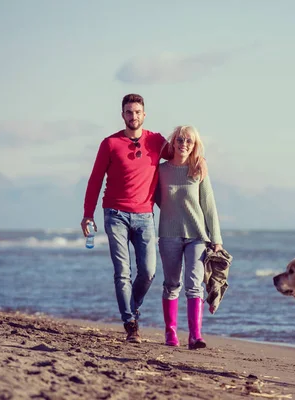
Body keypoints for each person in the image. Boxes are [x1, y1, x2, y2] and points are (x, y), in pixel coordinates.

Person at [81, 93, 172, 343]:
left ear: (144, 114)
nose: (134, 116)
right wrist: (88, 215)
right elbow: (95, 181)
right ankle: (130, 323)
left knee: (149, 271)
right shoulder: (110, 143)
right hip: (115, 214)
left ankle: (132, 307)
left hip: (145, 215)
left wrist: (201, 163)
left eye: (137, 112)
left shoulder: (157, 141)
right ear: (122, 115)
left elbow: (181, 157)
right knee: (122, 272)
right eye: (129, 112)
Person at [156, 125, 223, 350]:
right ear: (173, 142)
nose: (184, 144)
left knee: (194, 286)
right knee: (171, 284)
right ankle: (170, 333)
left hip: (197, 236)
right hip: (168, 234)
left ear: (194, 146)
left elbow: (209, 206)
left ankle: (195, 336)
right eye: (181, 139)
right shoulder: (161, 170)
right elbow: (154, 197)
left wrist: (216, 238)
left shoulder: (198, 169)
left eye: (189, 141)